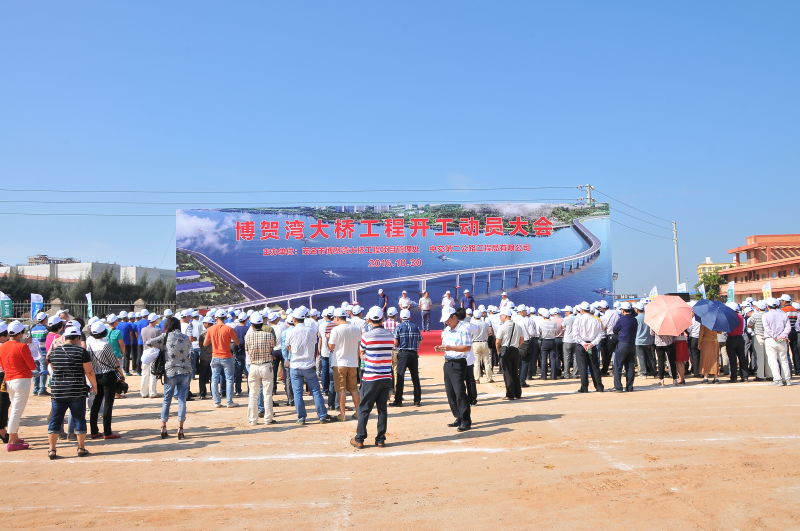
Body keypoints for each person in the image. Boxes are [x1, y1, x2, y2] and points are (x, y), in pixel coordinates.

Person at [46, 325, 97, 459]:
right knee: (79, 418)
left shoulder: (54, 352)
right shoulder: (81, 352)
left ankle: (52, 449)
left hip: (58, 391)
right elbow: (89, 371)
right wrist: (94, 386)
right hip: (77, 390)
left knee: (55, 420)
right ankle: (81, 448)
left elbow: (52, 367)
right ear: (77, 338)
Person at [350, 306, 394, 448]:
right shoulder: (389, 335)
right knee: (382, 409)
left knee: (364, 409)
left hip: (370, 377)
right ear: (382, 319)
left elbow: (362, 355)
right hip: (385, 376)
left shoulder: (366, 336)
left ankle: (360, 438)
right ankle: (380, 439)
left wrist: (368, 357)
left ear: (369, 320)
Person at [286, 308, 335, 425]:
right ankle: (322, 415)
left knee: (297, 393)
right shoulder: (310, 331)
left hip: (295, 365)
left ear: (294, 319)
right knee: (316, 391)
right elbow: (314, 344)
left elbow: (288, 347)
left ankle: (301, 418)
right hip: (308, 365)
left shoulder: (290, 332)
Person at [146, 316, 192, 439]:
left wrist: (161, 349)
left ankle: (163, 427)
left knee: (167, 400)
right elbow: (190, 352)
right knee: (182, 400)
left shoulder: (165, 337)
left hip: (170, 371)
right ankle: (180, 428)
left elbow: (148, 343)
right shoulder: (186, 337)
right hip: (185, 370)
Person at [0, 321, 36, 451]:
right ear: (20, 333)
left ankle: (14, 437)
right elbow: (32, 366)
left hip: (9, 379)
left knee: (14, 409)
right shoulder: (22, 347)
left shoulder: (2, 346)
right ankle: (12, 440)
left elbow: (3, 366)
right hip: (21, 380)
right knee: (16, 410)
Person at [436, 306, 473, 430]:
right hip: (447, 363)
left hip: (458, 363)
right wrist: (441, 348)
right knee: (450, 393)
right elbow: (445, 345)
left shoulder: (463, 328)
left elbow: (467, 347)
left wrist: (450, 348)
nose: (447, 322)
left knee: (459, 392)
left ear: (454, 316)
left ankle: (466, 420)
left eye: (448, 319)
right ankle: (458, 416)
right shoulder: (446, 329)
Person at [86, 320, 124, 439]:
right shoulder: (105, 345)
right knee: (108, 404)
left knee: (96, 403)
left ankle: (94, 431)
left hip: (96, 376)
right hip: (108, 376)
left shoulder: (90, 345)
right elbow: (114, 363)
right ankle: (107, 432)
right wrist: (121, 374)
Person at [329, 308, 362, 421]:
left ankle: (342, 414)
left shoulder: (335, 330)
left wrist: (329, 338)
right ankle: (358, 412)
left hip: (339, 362)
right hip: (353, 362)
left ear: (337, 318)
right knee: (353, 389)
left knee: (341, 389)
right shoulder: (356, 329)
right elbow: (358, 345)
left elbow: (331, 347)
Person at [244, 311, 277, 425]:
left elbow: (247, 350)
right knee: (267, 394)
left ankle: (253, 419)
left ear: (252, 324)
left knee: (253, 394)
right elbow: (272, 347)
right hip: (266, 365)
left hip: (253, 366)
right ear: (262, 323)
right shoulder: (269, 335)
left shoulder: (247, 336)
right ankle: (268, 419)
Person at [204, 309, 240, 408]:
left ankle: (217, 402)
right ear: (225, 318)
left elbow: (205, 343)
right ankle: (229, 401)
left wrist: (214, 340)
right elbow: (237, 342)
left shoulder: (211, 329)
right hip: (227, 356)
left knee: (214, 379)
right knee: (229, 379)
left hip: (215, 355)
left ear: (216, 318)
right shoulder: (228, 329)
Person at [391, 309, 422, 407]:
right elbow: (419, 340)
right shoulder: (415, 327)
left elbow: (395, 343)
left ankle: (398, 401)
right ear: (410, 317)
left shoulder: (399, 327)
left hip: (403, 353)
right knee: (415, 378)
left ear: (401, 317)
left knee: (400, 377)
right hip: (413, 354)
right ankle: (417, 401)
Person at [572, 302, 605, 393]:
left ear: (581, 310)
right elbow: (600, 334)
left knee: (582, 366)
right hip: (591, 346)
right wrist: (592, 344)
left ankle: (584, 387)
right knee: (594, 366)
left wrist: (583, 343)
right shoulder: (595, 320)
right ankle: (599, 386)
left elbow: (575, 335)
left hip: (581, 346)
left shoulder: (578, 319)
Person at [762, 297, 792, 386]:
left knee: (772, 360)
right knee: (784, 359)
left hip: (771, 339)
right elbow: (788, 327)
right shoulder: (783, 314)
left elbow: (767, 328)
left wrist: (775, 336)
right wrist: (782, 336)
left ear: (768, 306)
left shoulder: (765, 315)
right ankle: (787, 379)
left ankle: (777, 379)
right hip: (782, 340)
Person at [496, 307, 523, 400]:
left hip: (505, 349)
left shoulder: (502, 327)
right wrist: (516, 345)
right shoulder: (518, 326)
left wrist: (498, 350)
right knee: (515, 372)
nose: (500, 317)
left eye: (501, 315)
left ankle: (510, 394)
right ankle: (518, 393)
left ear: (506, 316)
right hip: (515, 350)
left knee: (507, 373)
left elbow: (498, 341)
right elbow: (522, 340)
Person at [611, 302, 638, 392]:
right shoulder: (634, 320)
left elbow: (615, 330)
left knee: (618, 366)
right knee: (630, 366)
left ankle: (618, 387)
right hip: (632, 344)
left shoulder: (622, 319)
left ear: (623, 310)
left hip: (622, 343)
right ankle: (629, 387)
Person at [139, 313, 162, 398]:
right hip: (154, 352)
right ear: (155, 320)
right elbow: (160, 342)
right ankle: (152, 392)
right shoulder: (157, 330)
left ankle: (143, 392)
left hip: (145, 352)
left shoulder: (143, 330)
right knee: (153, 373)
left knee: (144, 373)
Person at [725, 303, 748, 382]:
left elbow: (726, 329)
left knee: (732, 359)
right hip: (740, 338)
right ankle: (745, 376)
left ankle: (734, 377)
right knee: (742, 358)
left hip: (731, 338)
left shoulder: (728, 318)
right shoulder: (742, 317)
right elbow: (744, 328)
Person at [634, 302, 656, 377]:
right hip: (649, 340)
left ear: (637, 310)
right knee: (650, 357)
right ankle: (653, 372)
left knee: (641, 358)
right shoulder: (649, 317)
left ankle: (643, 372)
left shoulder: (636, 319)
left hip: (639, 340)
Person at [471, 309, 494, 383]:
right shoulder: (485, 323)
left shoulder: (472, 324)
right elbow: (490, 333)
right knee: (487, 362)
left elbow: (470, 335)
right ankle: (489, 378)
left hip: (475, 343)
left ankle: (477, 379)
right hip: (484, 343)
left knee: (476, 362)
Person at [30, 312, 49, 396]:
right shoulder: (46, 329)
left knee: (36, 370)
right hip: (43, 352)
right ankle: (42, 389)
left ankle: (35, 389)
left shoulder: (33, 328)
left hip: (34, 353)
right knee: (43, 370)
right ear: (44, 319)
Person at [561, 306, 578, 378]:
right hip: (575, 340)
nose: (565, 313)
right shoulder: (577, 318)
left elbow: (562, 326)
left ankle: (566, 374)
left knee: (566, 357)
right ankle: (575, 374)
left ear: (569, 312)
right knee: (575, 358)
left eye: (566, 311)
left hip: (567, 340)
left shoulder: (566, 318)